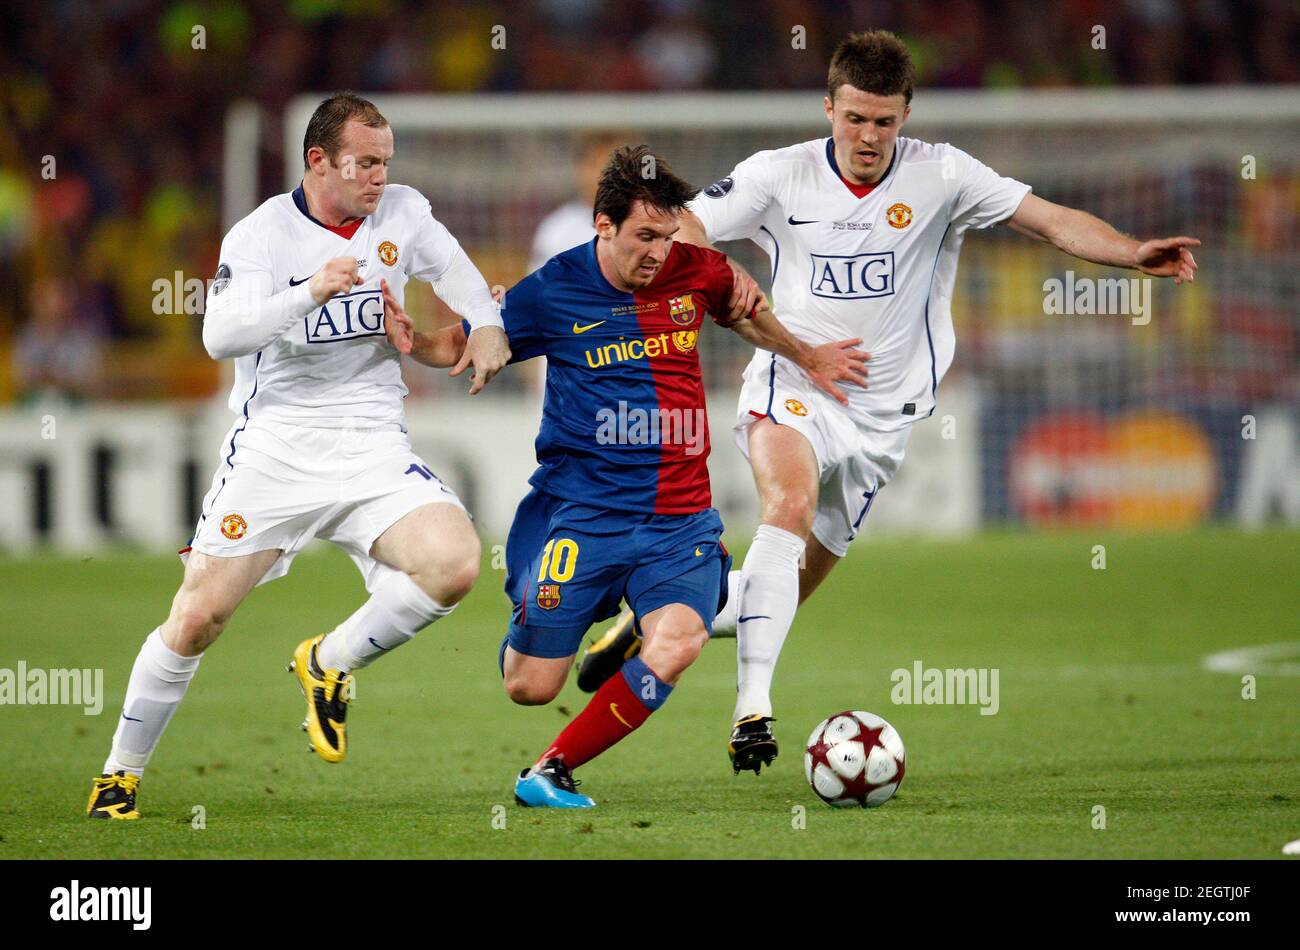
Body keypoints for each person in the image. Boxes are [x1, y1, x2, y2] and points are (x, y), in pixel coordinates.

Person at [577, 30, 1200, 775]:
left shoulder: (944, 176)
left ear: (905, 116)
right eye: (854, 118)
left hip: (884, 419)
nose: (868, 137)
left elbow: (1049, 219)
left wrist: (1131, 254)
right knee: (786, 508)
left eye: (884, 122)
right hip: (797, 382)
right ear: (829, 107)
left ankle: (650, 620)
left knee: (781, 590)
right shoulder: (781, 175)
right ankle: (752, 711)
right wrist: (704, 262)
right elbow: (694, 223)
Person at [392, 145, 865, 807]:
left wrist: (805, 353)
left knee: (681, 640)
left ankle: (550, 771)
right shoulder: (554, 289)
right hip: (583, 516)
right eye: (645, 236)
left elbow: (743, 310)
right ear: (604, 226)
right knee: (529, 686)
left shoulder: (696, 269)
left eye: (668, 237)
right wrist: (411, 339)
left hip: (679, 521)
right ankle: (569, 613)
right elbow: (464, 339)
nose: (658, 252)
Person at [85, 93, 510, 819]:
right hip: (275, 448)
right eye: (366, 163)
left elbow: (461, 277)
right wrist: (308, 292)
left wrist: (489, 325)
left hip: (371, 441)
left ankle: (330, 660)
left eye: (386, 162)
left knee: (455, 563)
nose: (380, 177)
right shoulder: (261, 237)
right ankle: (120, 773)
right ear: (319, 161)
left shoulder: (402, 212)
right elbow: (220, 336)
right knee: (196, 620)